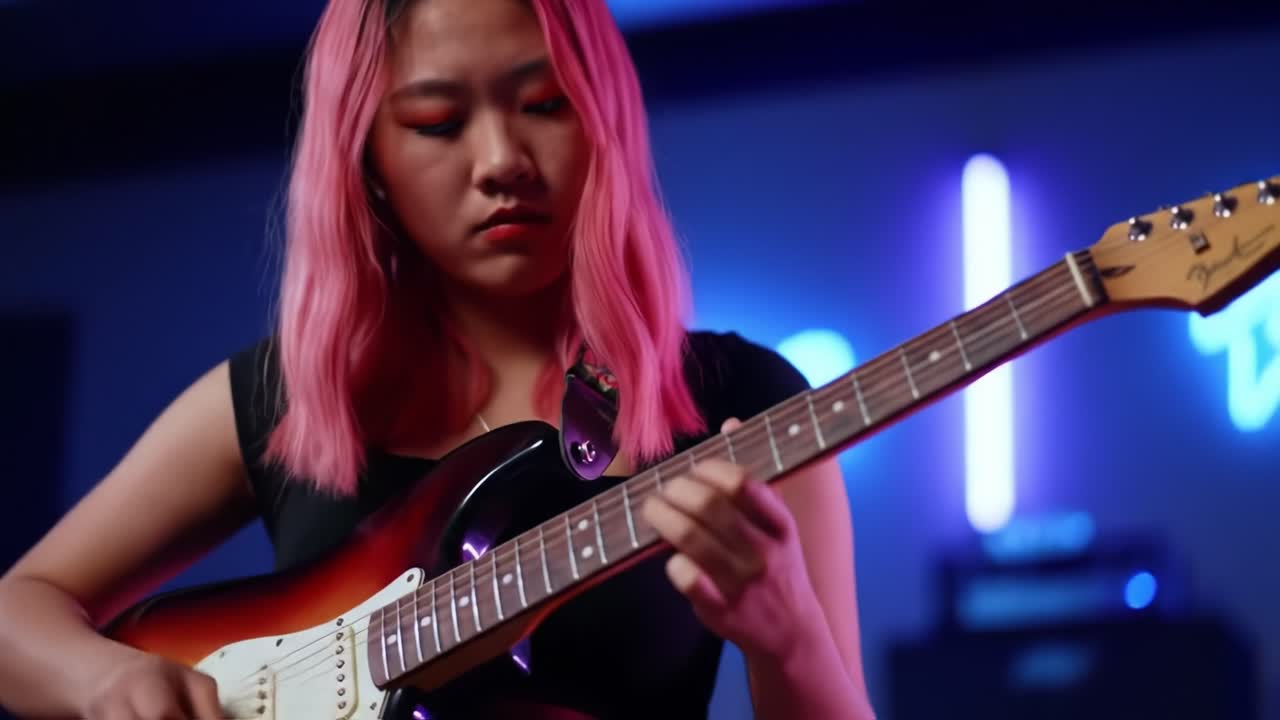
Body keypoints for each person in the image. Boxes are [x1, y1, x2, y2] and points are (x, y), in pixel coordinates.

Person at [0, 0, 875, 718]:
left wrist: (787, 633)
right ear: (367, 161)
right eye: (435, 122)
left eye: (544, 105)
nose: (501, 162)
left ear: (604, 120)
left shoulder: (745, 406)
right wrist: (103, 680)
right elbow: (16, 608)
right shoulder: (286, 395)